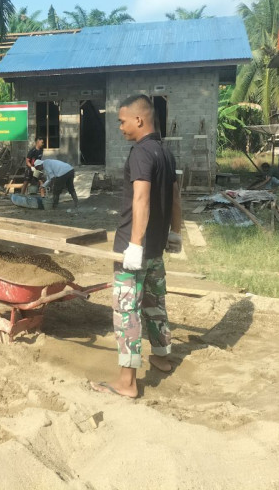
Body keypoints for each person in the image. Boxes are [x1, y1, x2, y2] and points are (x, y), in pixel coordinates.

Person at [90, 94, 182, 399]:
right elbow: (175, 197)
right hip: (155, 249)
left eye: (122, 121)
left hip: (135, 248)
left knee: (126, 310)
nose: (120, 127)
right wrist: (175, 233)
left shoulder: (141, 153)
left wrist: (134, 245)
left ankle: (127, 382)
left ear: (139, 119)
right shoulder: (165, 153)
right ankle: (162, 357)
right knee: (155, 304)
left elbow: (141, 198)